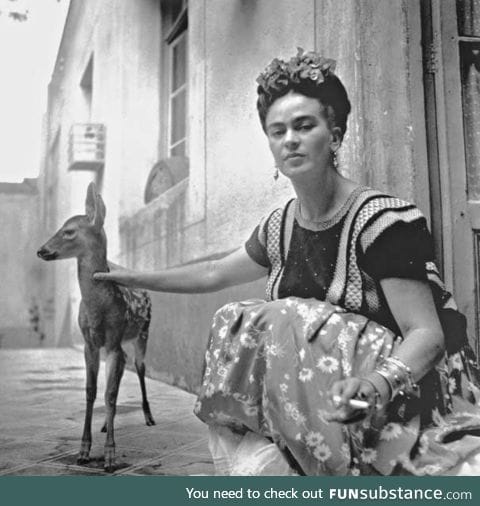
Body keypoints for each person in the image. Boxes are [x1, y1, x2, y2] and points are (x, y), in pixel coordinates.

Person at [94, 49, 480, 476]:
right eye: (277, 131)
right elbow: (213, 272)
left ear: (334, 136)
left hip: (406, 385)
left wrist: (372, 387)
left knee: (281, 317)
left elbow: (427, 335)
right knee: (233, 318)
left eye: (304, 126)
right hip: (326, 391)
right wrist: (132, 276)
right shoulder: (278, 226)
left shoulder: (384, 221)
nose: (289, 140)